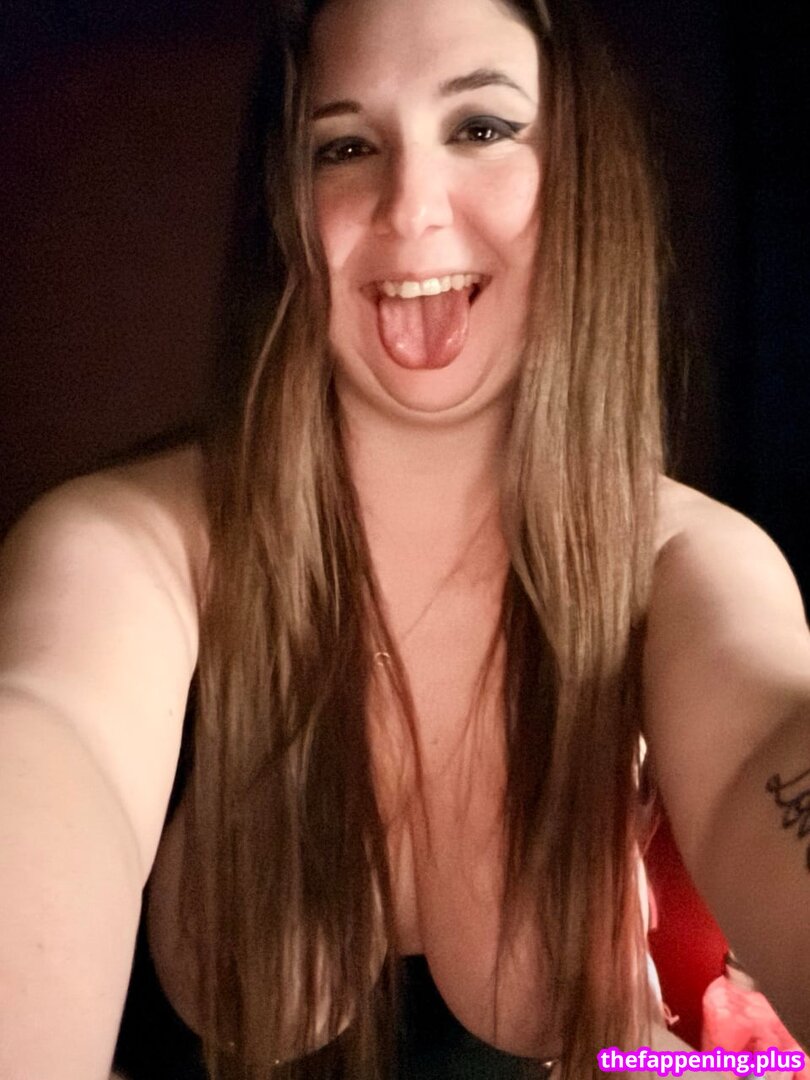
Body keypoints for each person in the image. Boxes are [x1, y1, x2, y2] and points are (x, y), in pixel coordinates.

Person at [0, 0, 807, 1078]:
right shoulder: (131, 547)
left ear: (581, 177)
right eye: (345, 146)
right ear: (289, 209)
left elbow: (766, 747)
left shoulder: (688, 565)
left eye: (481, 128)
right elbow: (53, 738)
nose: (409, 205)